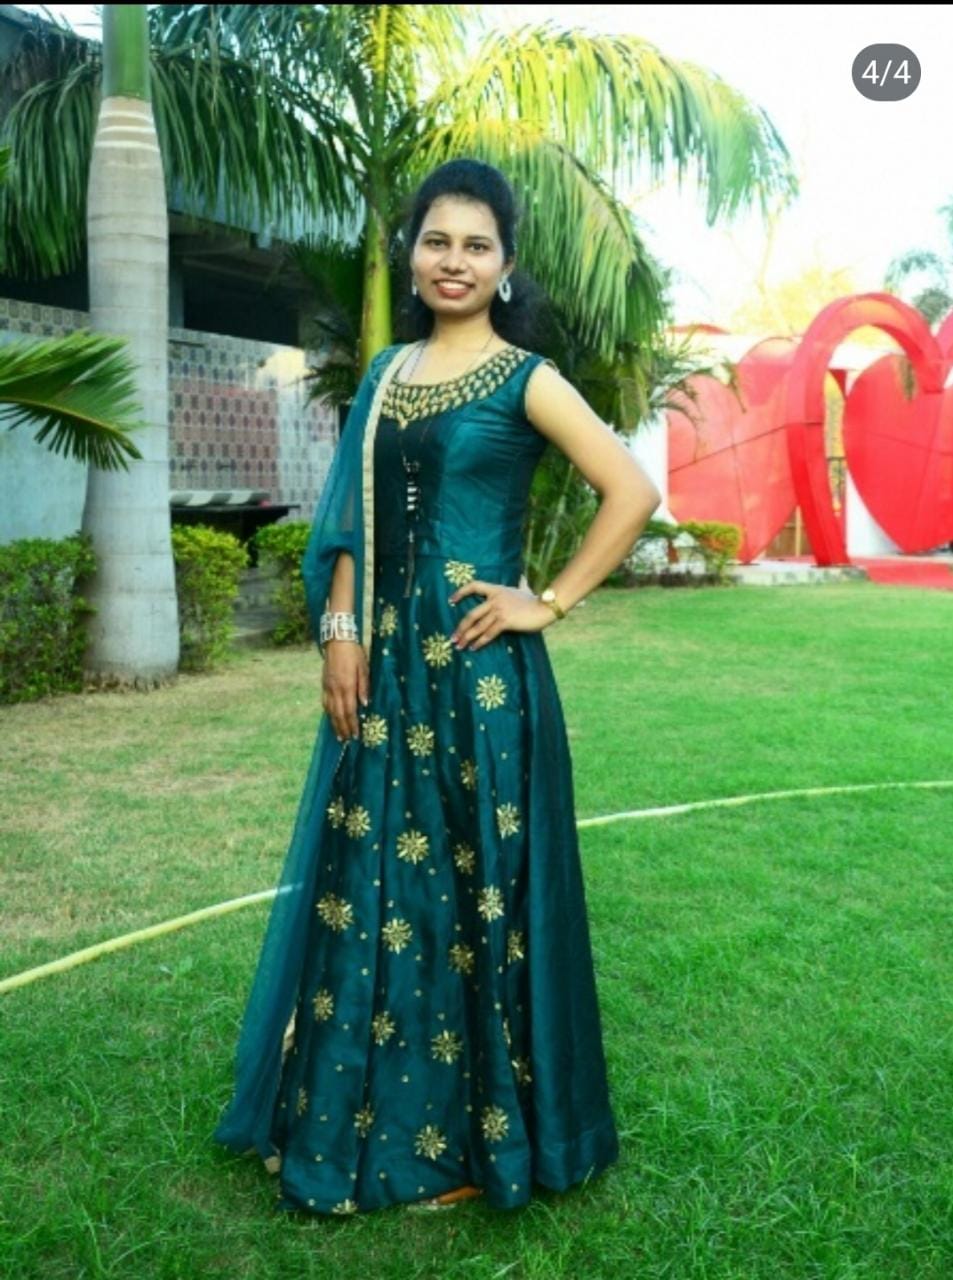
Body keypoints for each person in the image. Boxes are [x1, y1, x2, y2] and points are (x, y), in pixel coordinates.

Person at [212, 158, 662, 1216]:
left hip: (479, 680)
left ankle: (470, 1141)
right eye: (436, 241)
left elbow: (631, 489)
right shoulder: (384, 373)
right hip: (381, 671)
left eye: (476, 245)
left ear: (505, 265)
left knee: (471, 892)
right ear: (411, 252)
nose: (453, 261)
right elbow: (349, 520)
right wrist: (339, 635)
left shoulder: (524, 378)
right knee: (370, 883)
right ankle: (350, 1115)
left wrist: (545, 601)